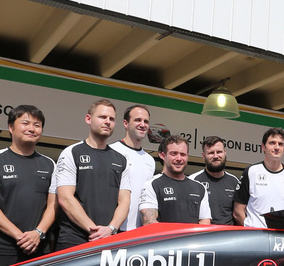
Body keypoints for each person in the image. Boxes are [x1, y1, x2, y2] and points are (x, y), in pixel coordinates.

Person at [0, 105, 57, 266]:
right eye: (25, 123)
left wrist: (38, 233)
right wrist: (20, 236)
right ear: (10, 127)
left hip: (38, 248)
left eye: (37, 125)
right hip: (0, 250)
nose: (31, 129)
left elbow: (53, 205)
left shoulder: (50, 164)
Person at [54, 99, 130, 250]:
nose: (107, 122)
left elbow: (125, 202)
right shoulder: (71, 153)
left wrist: (111, 229)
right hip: (74, 239)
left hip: (108, 240)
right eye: (102, 117)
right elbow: (65, 199)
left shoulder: (121, 159)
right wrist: (95, 231)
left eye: (112, 119)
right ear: (88, 119)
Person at [233, 127, 284, 228]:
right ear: (263, 147)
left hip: (283, 238)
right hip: (256, 237)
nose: (277, 147)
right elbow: (238, 211)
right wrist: (250, 230)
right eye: (272, 143)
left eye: (280, 144)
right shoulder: (251, 171)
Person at [140, 137, 210, 224]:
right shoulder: (151, 185)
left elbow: (204, 221)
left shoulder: (200, 188)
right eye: (174, 154)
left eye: (183, 154)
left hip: (193, 238)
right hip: (166, 238)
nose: (179, 158)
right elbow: (149, 222)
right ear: (163, 155)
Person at [111, 104, 155, 232]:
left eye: (146, 121)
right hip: (113, 229)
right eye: (138, 120)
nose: (143, 124)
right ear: (126, 123)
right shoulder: (112, 151)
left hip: (139, 231)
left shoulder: (150, 160)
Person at [191, 136, 240, 225]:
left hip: (229, 236)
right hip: (203, 235)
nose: (216, 156)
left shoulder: (234, 181)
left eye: (219, 152)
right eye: (211, 153)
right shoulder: (193, 181)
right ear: (203, 156)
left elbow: (238, 214)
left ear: (224, 153)